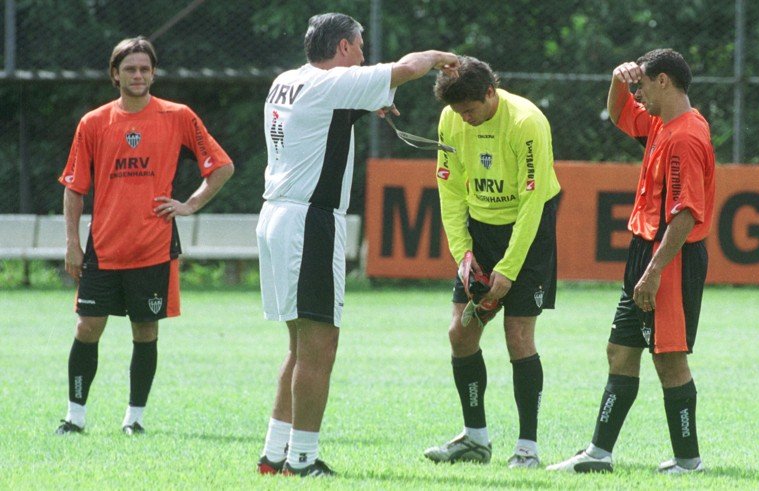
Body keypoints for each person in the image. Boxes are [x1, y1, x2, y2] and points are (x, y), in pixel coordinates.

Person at [255, 12, 459, 478]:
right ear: (343, 47)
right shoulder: (333, 83)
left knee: (301, 344)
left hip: (278, 214)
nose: (365, 56)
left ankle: (274, 454)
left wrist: (364, 105)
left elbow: (320, 118)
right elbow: (409, 67)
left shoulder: (286, 80)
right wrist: (444, 58)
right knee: (321, 344)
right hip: (309, 220)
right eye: (360, 47)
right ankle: (302, 461)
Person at [55, 36, 234, 436]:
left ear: (153, 73)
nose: (138, 75)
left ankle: (134, 419)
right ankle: (74, 417)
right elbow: (74, 188)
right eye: (130, 69)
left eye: (144, 69)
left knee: (146, 331)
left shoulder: (178, 116)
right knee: (86, 328)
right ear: (114, 75)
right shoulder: (94, 122)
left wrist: (189, 204)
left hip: (153, 248)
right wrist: (72, 243)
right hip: (103, 247)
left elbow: (221, 167)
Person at [547, 49, 715, 474]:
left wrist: (654, 272)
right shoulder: (663, 124)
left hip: (669, 258)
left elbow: (685, 214)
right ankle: (598, 454)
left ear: (663, 81)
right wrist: (618, 81)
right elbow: (621, 112)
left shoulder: (685, 137)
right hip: (646, 251)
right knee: (620, 351)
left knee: (669, 358)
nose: (637, 92)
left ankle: (688, 461)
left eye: (642, 83)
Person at [423, 56, 561, 469]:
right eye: (458, 113)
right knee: (461, 333)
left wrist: (509, 269)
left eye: (471, 111)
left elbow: (534, 201)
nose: (464, 120)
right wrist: (463, 253)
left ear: (490, 92)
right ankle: (476, 440)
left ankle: (527, 449)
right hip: (479, 232)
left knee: (518, 336)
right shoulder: (451, 119)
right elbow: (448, 189)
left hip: (528, 231)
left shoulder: (526, 123)